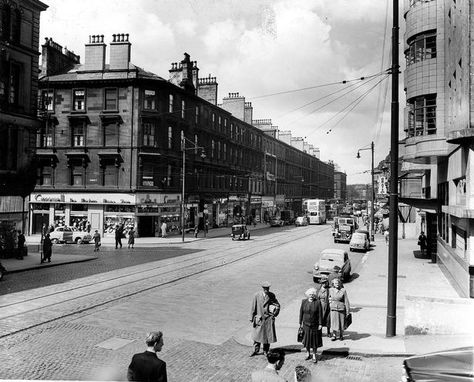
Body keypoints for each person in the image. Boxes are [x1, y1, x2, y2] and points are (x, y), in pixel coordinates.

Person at [249, 281, 280, 357]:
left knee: (267, 337)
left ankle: (266, 351)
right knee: (257, 336)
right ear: (262, 288)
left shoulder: (271, 295)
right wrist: (251, 317)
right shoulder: (256, 295)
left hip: (268, 319)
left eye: (268, 288)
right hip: (259, 318)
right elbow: (253, 307)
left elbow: (277, 305)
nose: (266, 290)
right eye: (265, 288)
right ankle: (255, 350)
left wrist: (275, 312)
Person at [299, 287, 323, 363]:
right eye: (310, 294)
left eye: (313, 294)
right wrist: (300, 323)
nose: (311, 296)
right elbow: (301, 313)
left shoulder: (317, 302)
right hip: (305, 324)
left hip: (315, 325)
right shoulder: (304, 301)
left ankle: (314, 355)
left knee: (314, 341)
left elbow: (320, 314)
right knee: (307, 340)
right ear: (307, 295)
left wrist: (320, 324)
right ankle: (307, 353)